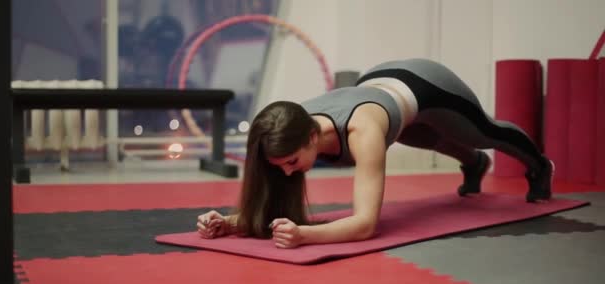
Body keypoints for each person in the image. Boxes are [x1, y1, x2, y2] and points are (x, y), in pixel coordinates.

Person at [196, 58, 554, 248]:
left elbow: (365, 225)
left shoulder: (362, 132)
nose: (287, 172)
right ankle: (474, 164)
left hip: (425, 83)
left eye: (292, 163)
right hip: (376, 82)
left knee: (481, 132)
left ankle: (538, 165)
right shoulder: (286, 128)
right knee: (424, 137)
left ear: (311, 137)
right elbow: (270, 200)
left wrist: (306, 235)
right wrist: (227, 223)